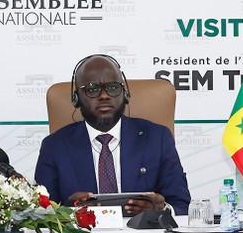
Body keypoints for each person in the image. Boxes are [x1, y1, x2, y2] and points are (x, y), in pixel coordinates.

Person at [34, 54, 191, 216]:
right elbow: (40, 213)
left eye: (113, 87)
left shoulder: (157, 138)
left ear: (125, 93)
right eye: (92, 89)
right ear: (76, 99)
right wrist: (69, 210)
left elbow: (182, 206)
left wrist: (161, 209)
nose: (104, 96)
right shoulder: (54, 147)